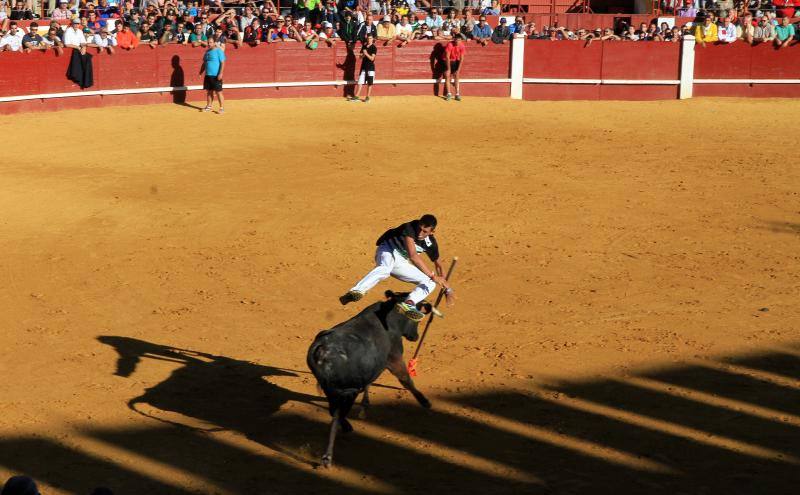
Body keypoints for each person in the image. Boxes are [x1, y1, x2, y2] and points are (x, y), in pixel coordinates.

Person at [339, 214, 453, 321]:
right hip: (387, 249)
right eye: (420, 228)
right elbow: (413, 256)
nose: (420, 233)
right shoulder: (410, 228)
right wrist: (433, 276)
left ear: (432, 232)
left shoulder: (430, 243)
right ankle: (356, 292)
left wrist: (447, 289)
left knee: (430, 283)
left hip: (401, 261)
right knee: (385, 268)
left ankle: (409, 304)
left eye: (425, 231)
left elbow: (438, 265)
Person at [200, 34, 226, 113]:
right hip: (208, 75)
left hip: (216, 75)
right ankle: (209, 106)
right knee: (209, 91)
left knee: (219, 92)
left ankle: (221, 108)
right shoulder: (207, 52)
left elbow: (223, 63)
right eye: (208, 42)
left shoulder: (219, 51)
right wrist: (201, 71)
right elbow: (204, 63)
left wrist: (220, 73)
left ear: (215, 43)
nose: (209, 44)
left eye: (210, 42)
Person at [350, 32, 376, 102]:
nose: (369, 40)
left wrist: (366, 53)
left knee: (369, 83)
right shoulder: (364, 46)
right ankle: (357, 96)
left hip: (371, 68)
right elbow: (360, 57)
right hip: (364, 67)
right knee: (360, 82)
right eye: (368, 38)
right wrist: (363, 55)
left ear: (372, 39)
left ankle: (367, 97)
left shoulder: (374, 47)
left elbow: (372, 58)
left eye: (370, 38)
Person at [439, 32, 465, 101]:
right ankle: (449, 94)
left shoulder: (462, 45)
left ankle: (457, 94)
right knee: (447, 75)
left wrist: (458, 70)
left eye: (459, 40)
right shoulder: (450, 44)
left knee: (457, 76)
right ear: (454, 39)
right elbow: (447, 57)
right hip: (447, 60)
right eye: (457, 40)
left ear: (461, 40)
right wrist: (449, 69)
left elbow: (462, 58)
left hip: (456, 61)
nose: (458, 41)